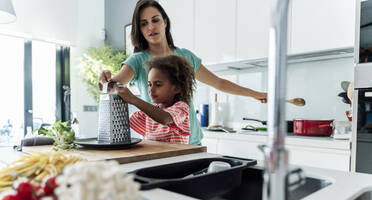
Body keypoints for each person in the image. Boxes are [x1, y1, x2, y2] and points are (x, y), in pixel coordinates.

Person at [99, 0, 267, 145]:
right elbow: (113, 86)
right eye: (143, 24)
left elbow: (219, 83)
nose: (150, 27)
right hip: (157, 144)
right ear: (140, 30)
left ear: (165, 22)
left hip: (191, 142)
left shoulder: (185, 56)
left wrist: (256, 94)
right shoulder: (137, 60)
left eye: (155, 20)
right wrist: (106, 80)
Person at [116, 55, 195, 144]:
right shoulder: (149, 114)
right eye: (149, 84)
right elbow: (123, 120)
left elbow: (165, 118)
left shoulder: (181, 108)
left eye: (158, 84)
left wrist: (133, 99)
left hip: (177, 157)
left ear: (176, 88)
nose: (151, 90)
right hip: (157, 157)